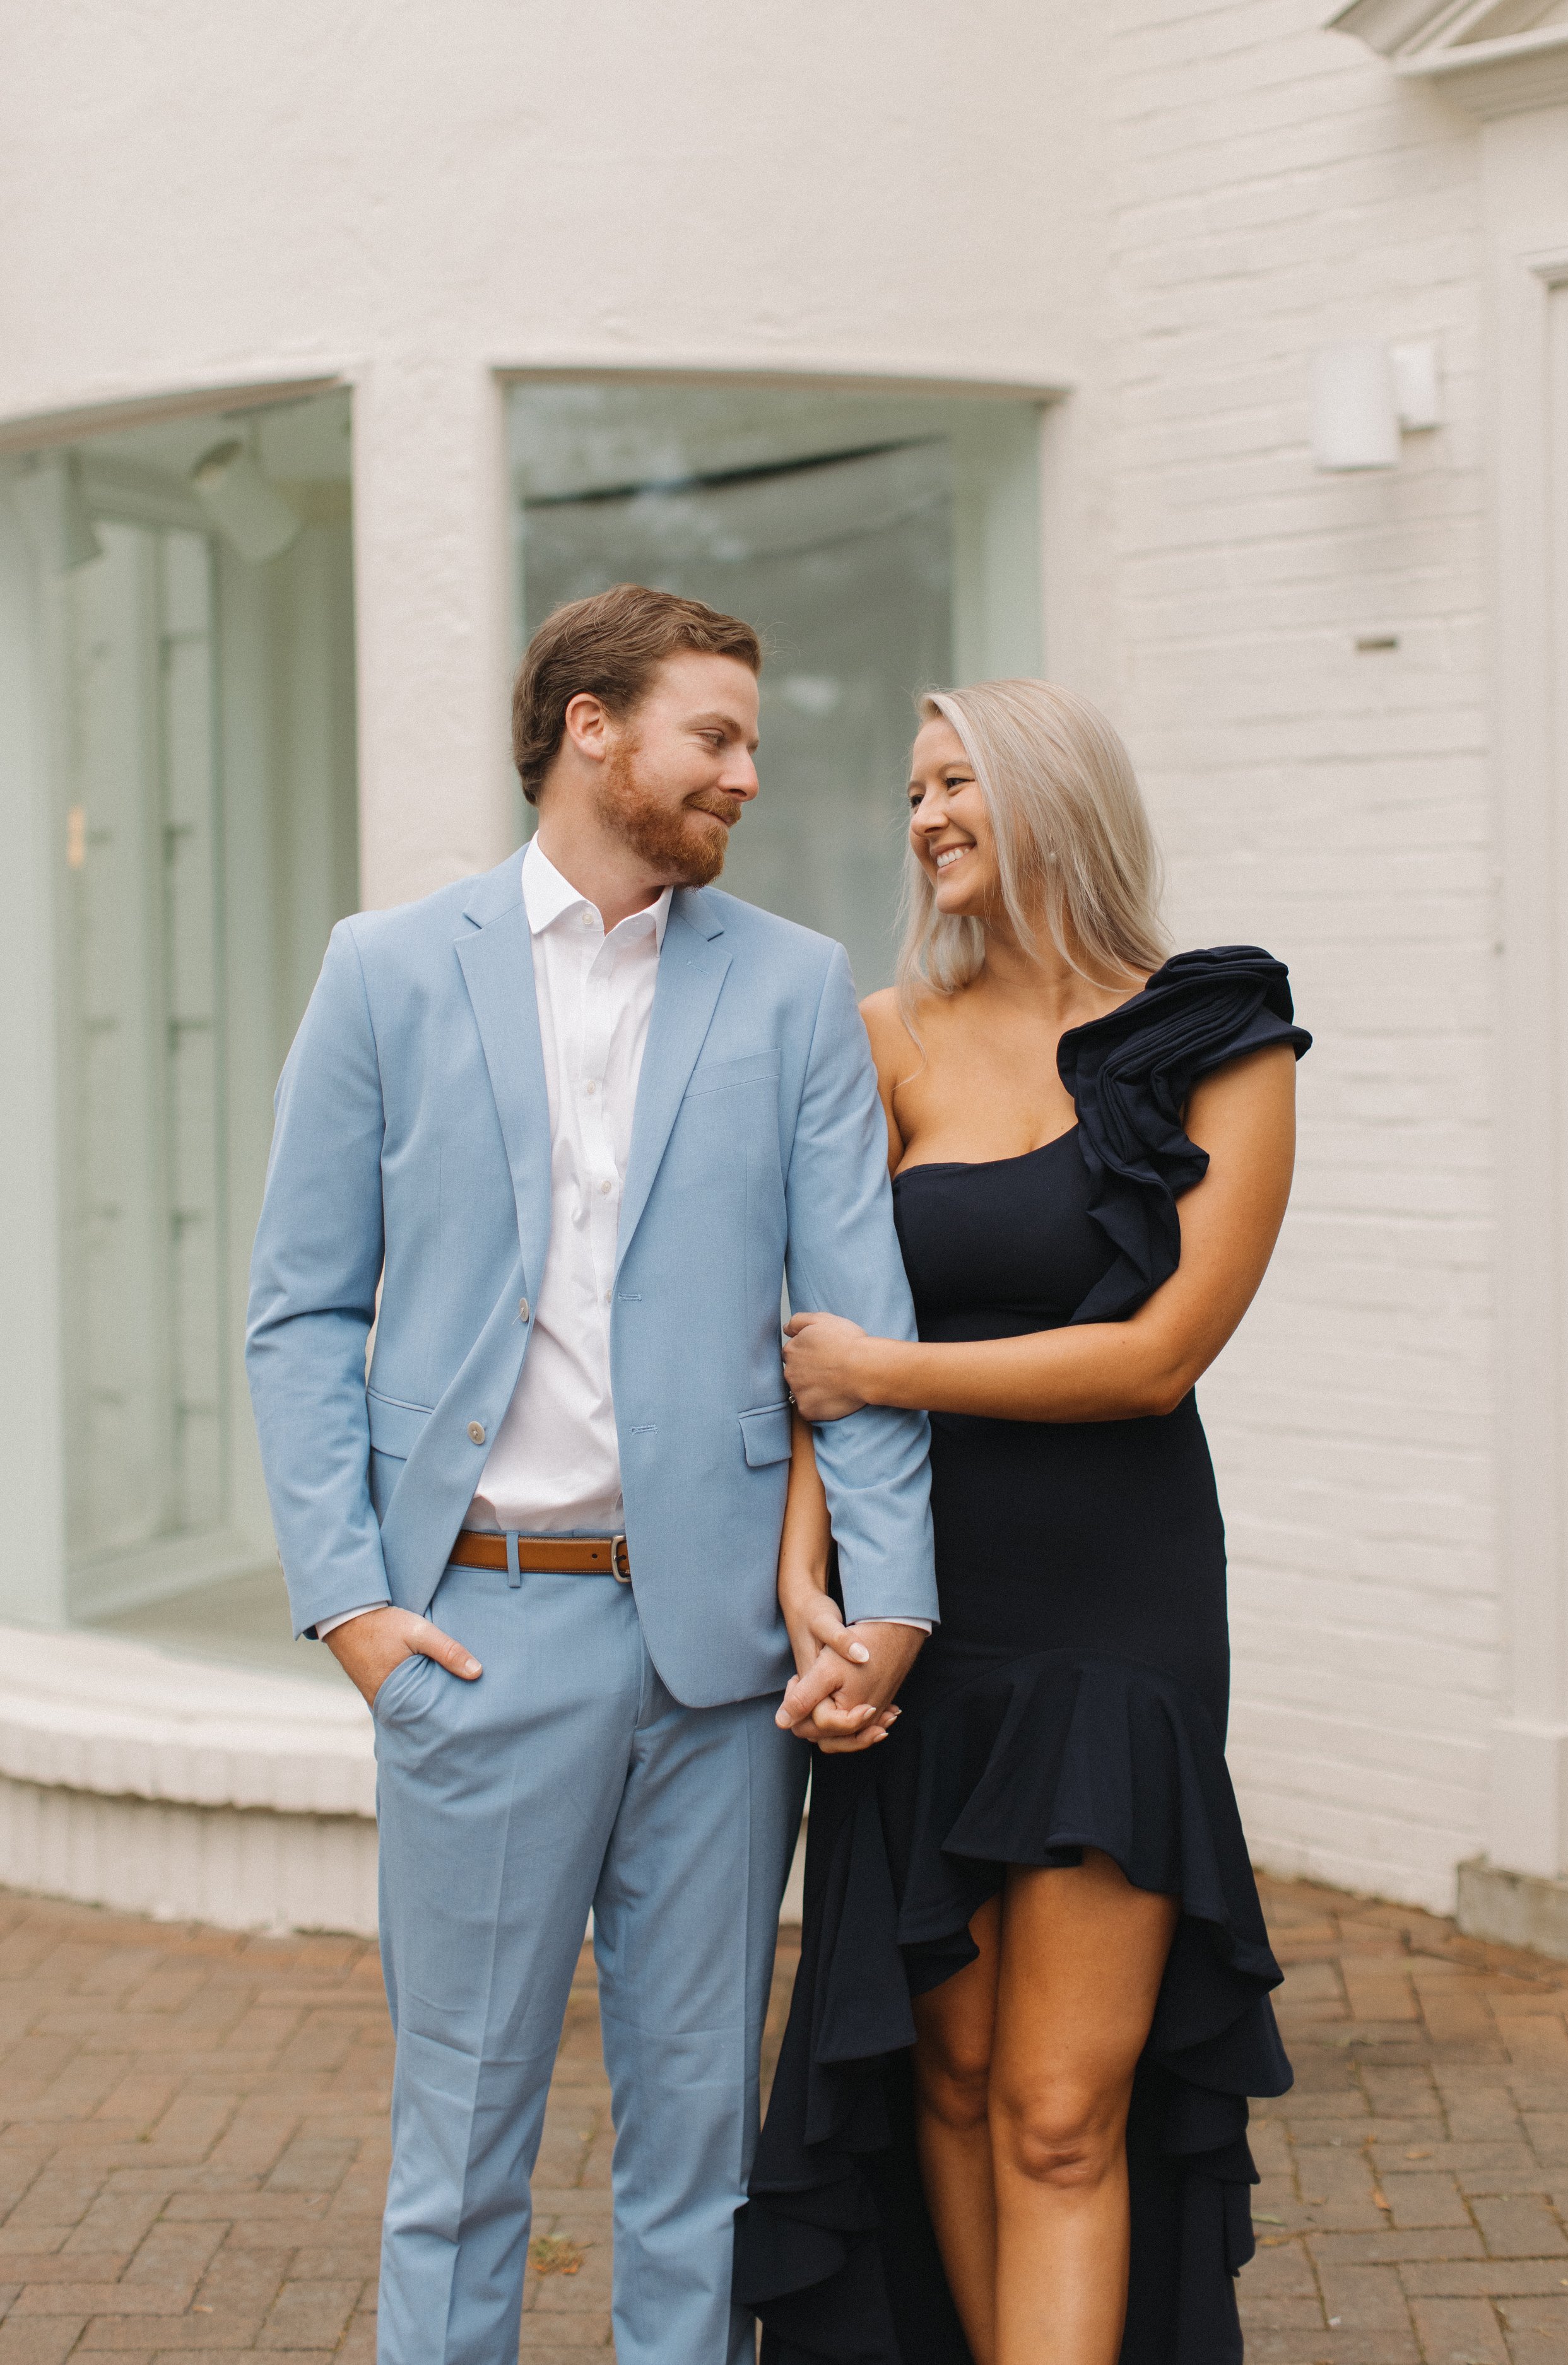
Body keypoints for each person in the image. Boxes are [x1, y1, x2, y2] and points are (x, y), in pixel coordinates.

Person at [244, 582, 936, 2365]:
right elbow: (302, 1308)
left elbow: (852, 1317)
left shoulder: (787, 988)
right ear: (591, 728)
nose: (748, 776)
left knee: (695, 2156)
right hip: (478, 1633)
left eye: (753, 742)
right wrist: (354, 1606)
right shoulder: (385, 970)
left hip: (720, 1664)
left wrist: (890, 1599)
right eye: (717, 735)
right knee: (459, 2148)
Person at [736, 678, 1310, 2365]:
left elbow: (1157, 1353)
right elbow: (803, 1355)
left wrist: (887, 1365)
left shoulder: (1223, 1035)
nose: (923, 819)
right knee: (956, 2072)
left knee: (1063, 2106)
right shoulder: (883, 1031)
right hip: (921, 1609)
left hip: (1107, 1618)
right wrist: (802, 1577)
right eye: (913, 791)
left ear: (1051, 796)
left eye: (954, 782)